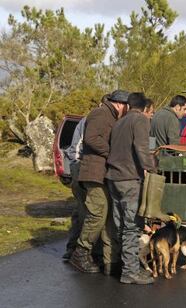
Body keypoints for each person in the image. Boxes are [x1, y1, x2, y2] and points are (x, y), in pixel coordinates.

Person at [69, 90, 129, 273]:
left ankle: (109, 259)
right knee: (97, 213)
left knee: (107, 215)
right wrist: (114, 152)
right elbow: (91, 139)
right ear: (120, 104)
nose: (128, 109)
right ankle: (81, 252)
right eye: (127, 106)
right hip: (93, 173)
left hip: (103, 174)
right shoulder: (100, 113)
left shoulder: (111, 116)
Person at [106, 93, 156, 284]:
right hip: (129, 179)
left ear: (129, 105)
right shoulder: (140, 120)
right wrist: (152, 169)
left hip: (113, 178)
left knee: (120, 226)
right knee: (131, 227)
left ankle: (127, 268)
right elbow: (142, 148)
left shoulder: (120, 122)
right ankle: (130, 273)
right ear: (144, 108)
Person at [62, 116, 87, 260]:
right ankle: (74, 249)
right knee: (81, 211)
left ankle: (73, 248)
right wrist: (77, 165)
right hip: (80, 167)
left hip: (80, 167)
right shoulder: (88, 120)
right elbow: (75, 150)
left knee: (81, 211)